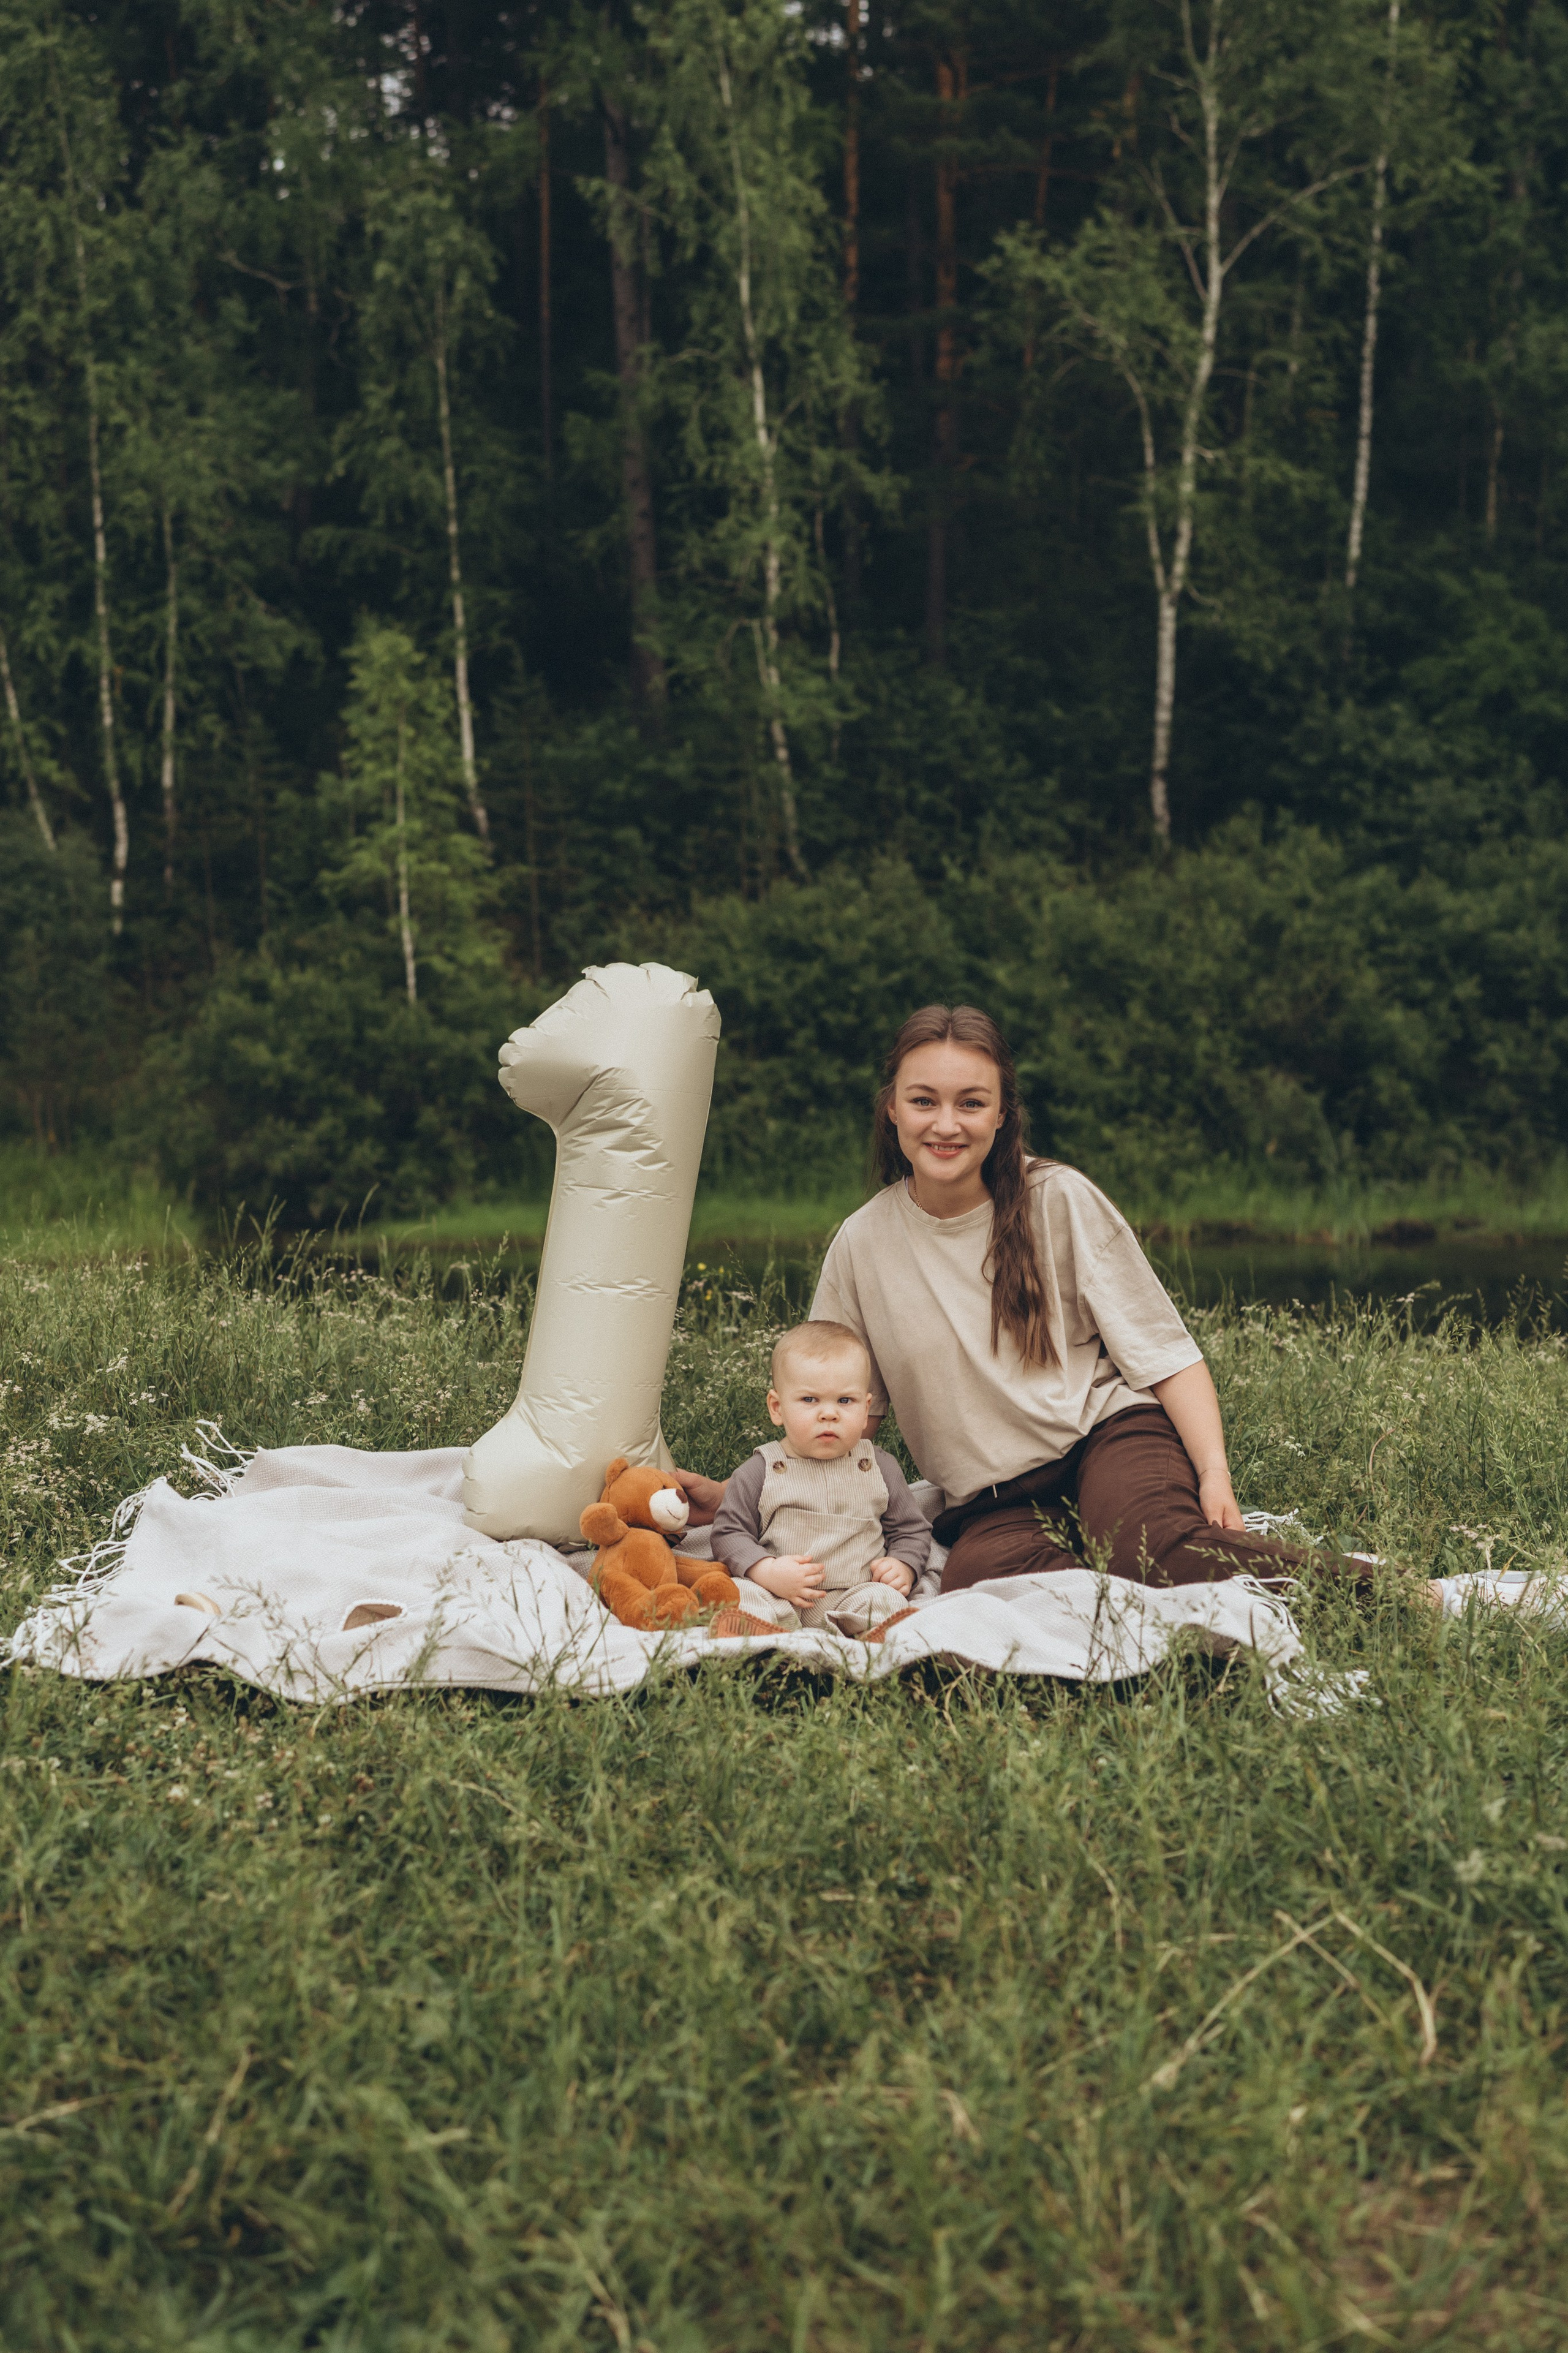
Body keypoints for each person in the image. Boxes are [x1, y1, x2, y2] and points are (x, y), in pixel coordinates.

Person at [679, 1003, 1379, 1599]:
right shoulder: (860, 1243)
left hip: (1105, 1436)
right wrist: (751, 1489)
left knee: (1149, 1548)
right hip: (990, 1498)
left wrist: (1215, 1473)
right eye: (923, 1100)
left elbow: (1164, 1353)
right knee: (983, 1582)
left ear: (1002, 1112)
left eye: (970, 1102)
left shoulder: (1059, 1199)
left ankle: (1401, 1596)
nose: (945, 1124)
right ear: (891, 1107)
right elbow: (837, 1407)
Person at [708, 1320, 931, 1633]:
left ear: (866, 1408)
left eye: (845, 1401)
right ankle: (758, 1633)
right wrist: (767, 1571)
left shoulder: (879, 1467)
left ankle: (878, 1632)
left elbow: (911, 1530)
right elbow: (728, 1533)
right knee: (743, 1593)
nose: (829, 1414)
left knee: (887, 1598)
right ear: (777, 1408)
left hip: (857, 1593)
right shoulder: (760, 1471)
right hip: (780, 1594)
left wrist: (904, 1565)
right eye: (810, 1400)